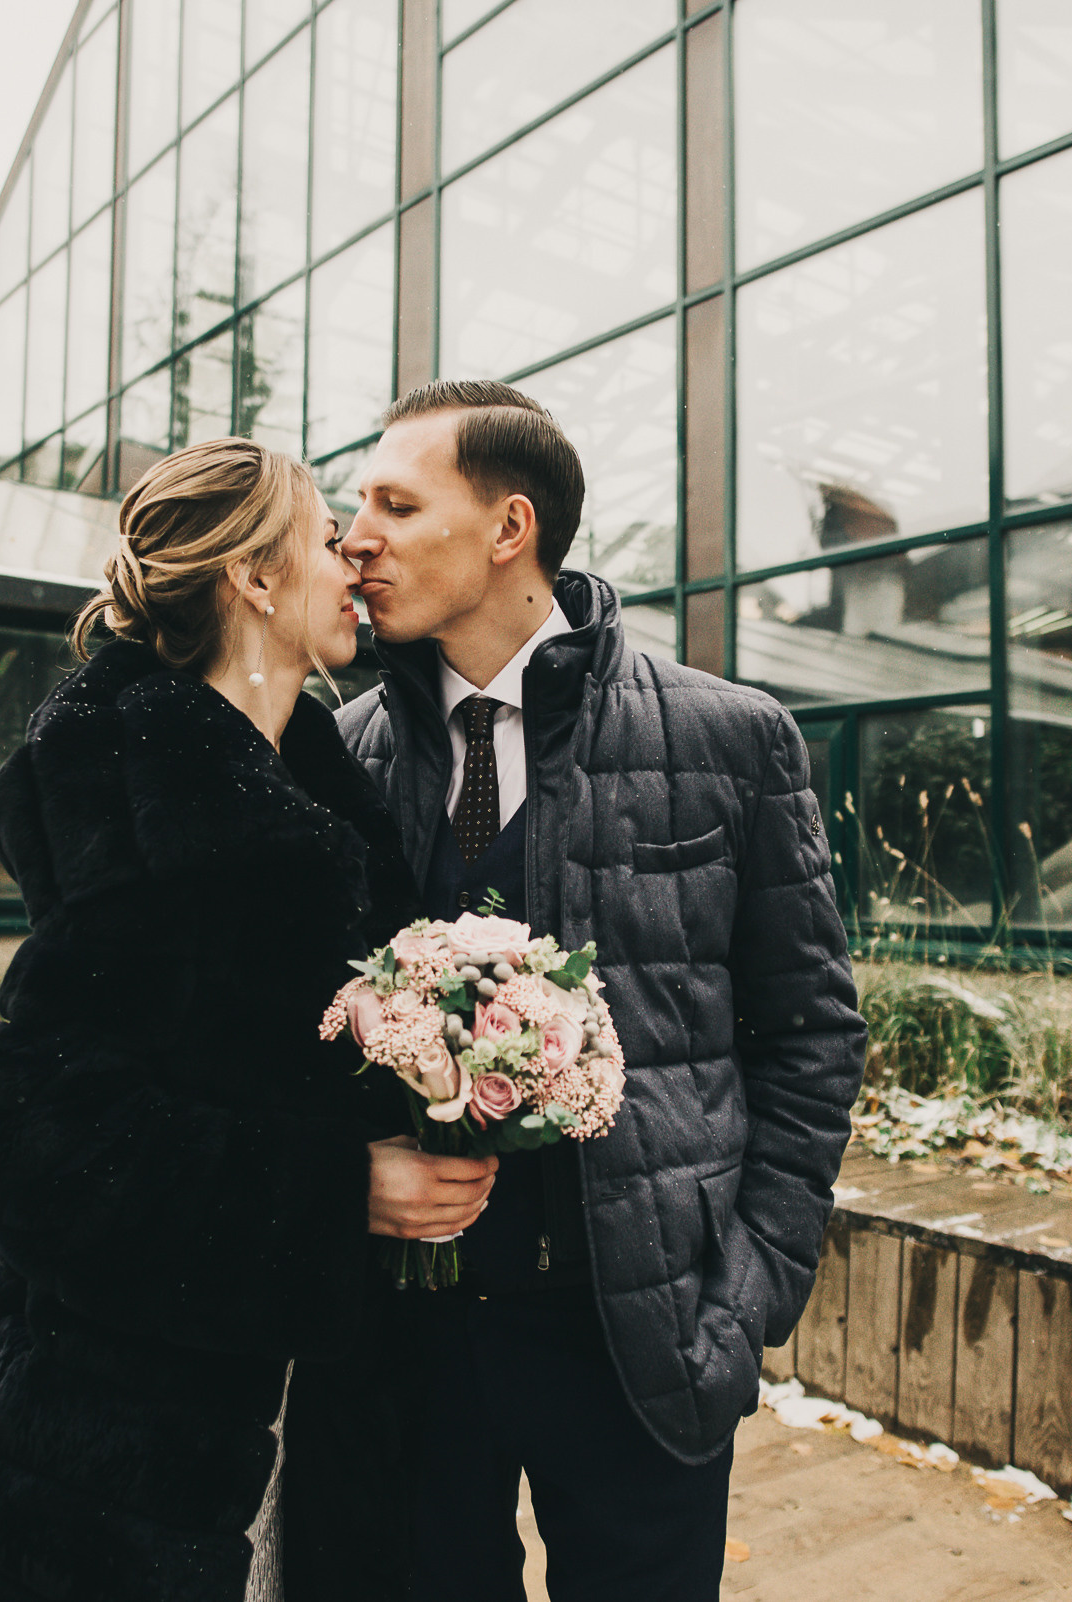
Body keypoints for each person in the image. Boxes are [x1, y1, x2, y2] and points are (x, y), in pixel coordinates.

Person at [0, 437, 498, 1602]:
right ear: (254, 580)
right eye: (322, 540)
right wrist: (333, 1190)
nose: (353, 558)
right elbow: (27, 1140)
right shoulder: (157, 819)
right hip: (118, 1462)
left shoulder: (293, 799)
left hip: (292, 1428)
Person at [335, 381, 868, 1602]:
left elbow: (810, 1033)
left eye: (396, 503)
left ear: (508, 529)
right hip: (408, 1346)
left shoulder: (731, 740)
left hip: (640, 1340)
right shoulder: (344, 751)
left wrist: (746, 1299)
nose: (354, 535)